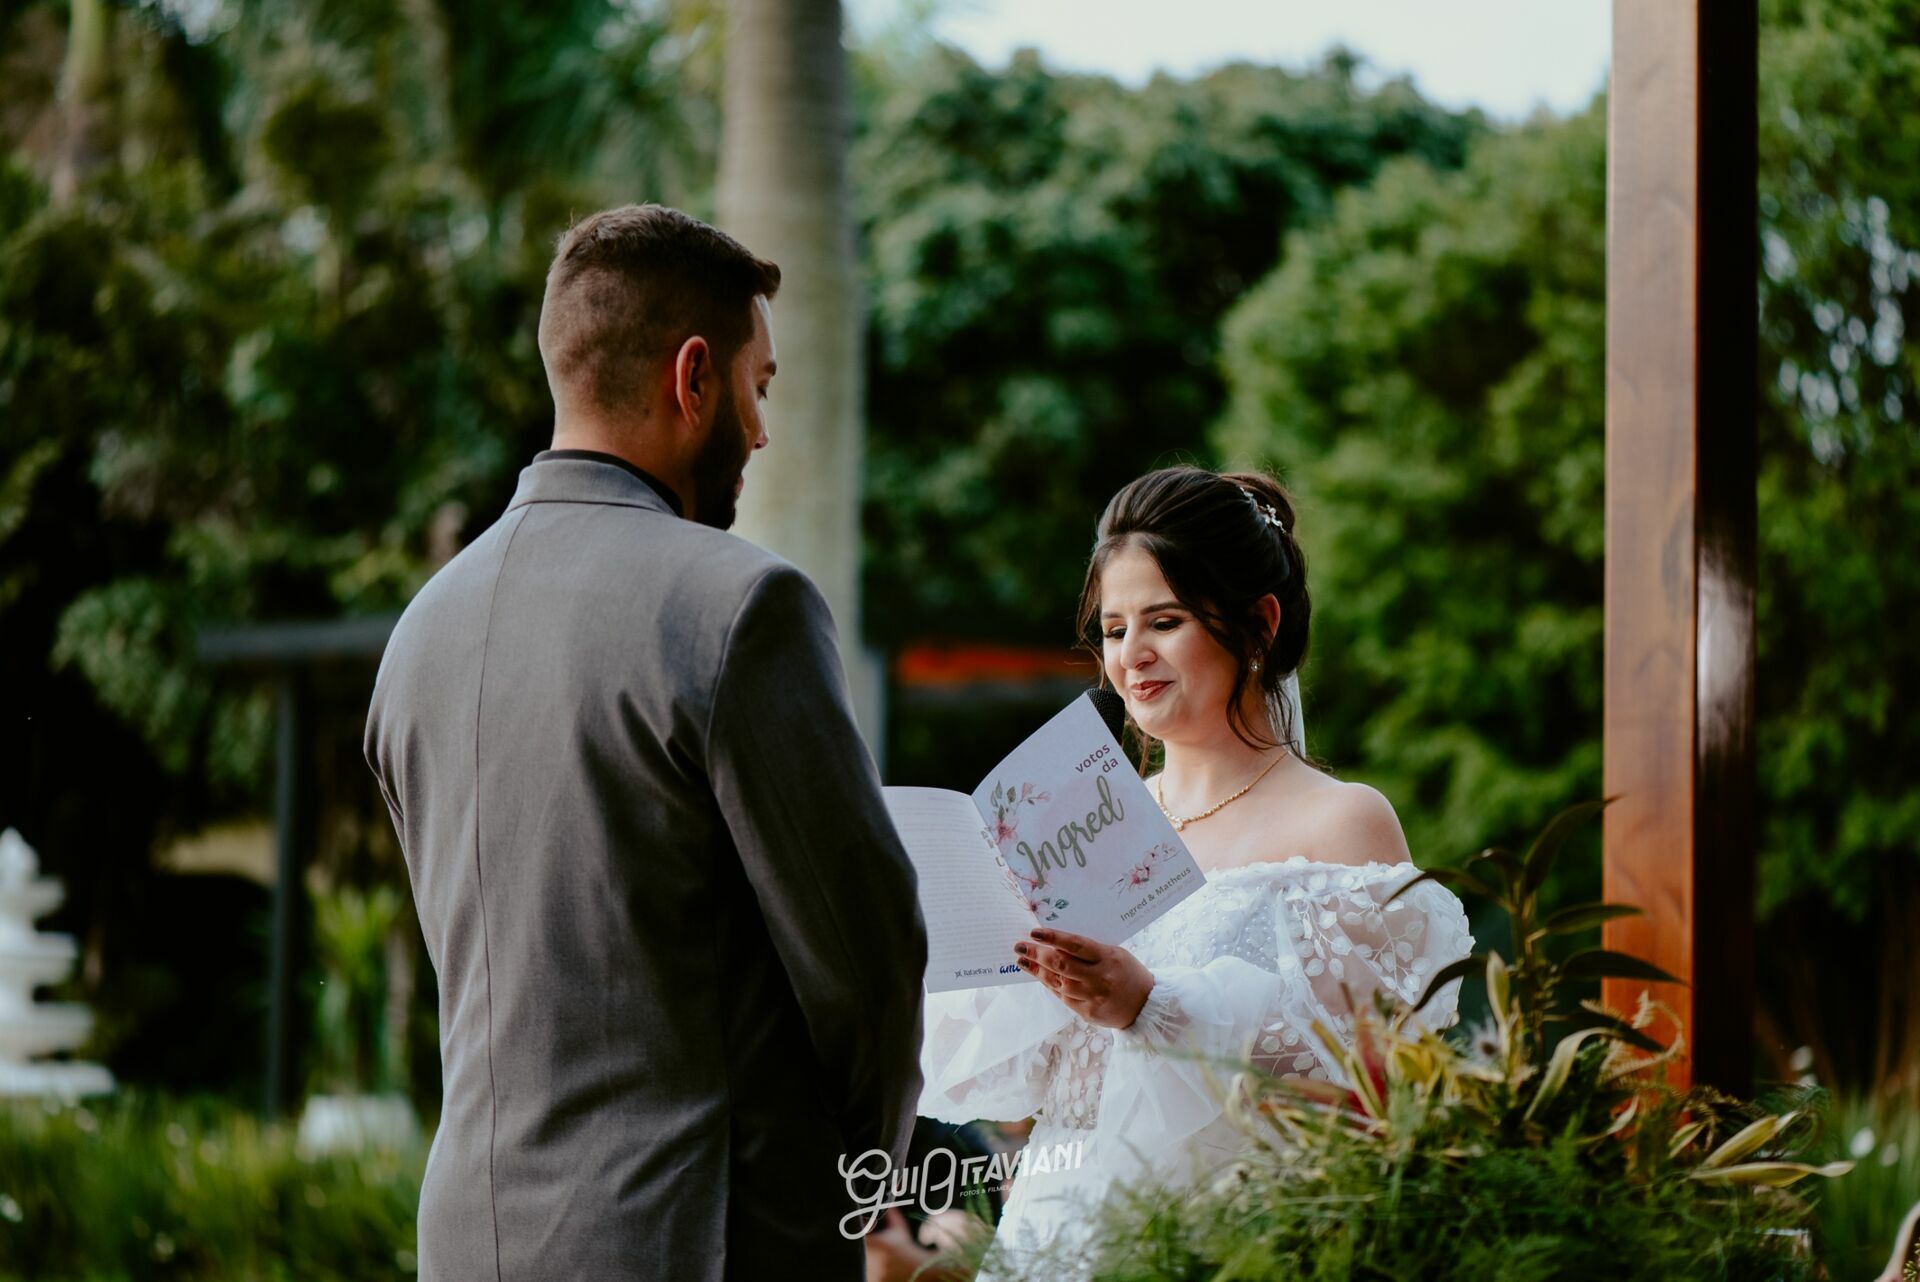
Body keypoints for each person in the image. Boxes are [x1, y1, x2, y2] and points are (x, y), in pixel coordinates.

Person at [364, 204, 928, 1282]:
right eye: (760, 390)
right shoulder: (740, 606)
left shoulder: (418, 633)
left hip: (469, 1242)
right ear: (694, 377)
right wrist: (858, 1190)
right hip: (699, 1236)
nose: (762, 433)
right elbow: (868, 961)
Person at [915, 466, 1474, 1279]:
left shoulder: (1342, 822)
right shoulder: (1077, 824)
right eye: (1112, 630)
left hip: (1237, 1242)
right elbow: (1016, 1085)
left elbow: (1371, 1094)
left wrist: (1151, 1007)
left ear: (1258, 622)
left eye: (1164, 622)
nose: (1131, 657)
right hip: (1061, 1230)